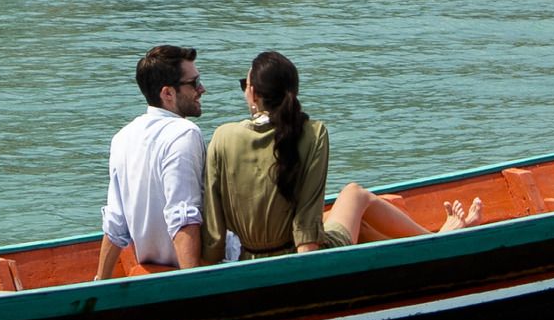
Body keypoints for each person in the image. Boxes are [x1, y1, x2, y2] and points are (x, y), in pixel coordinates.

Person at [202, 50, 476, 255]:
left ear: (253, 94)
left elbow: (214, 232)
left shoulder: (223, 137)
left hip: (249, 258)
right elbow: (307, 232)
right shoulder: (312, 133)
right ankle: (436, 241)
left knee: (361, 225)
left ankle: (424, 247)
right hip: (301, 257)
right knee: (354, 193)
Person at [102, 44, 210, 275]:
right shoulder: (184, 133)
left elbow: (115, 224)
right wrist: (195, 285)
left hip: (151, 274)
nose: (202, 89)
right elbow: (183, 216)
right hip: (183, 276)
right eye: (194, 83)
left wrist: (100, 280)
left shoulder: (122, 138)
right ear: (167, 93)